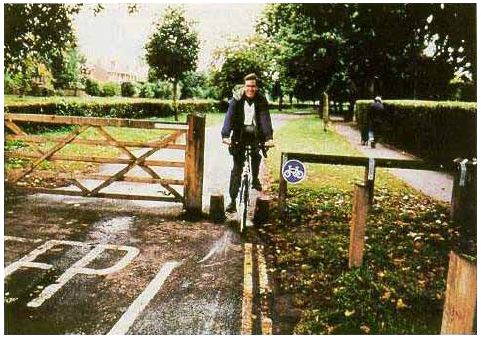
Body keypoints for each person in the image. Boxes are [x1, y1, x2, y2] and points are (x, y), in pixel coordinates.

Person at [221, 73, 274, 213]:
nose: (251, 89)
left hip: (256, 135)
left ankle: (255, 178)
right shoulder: (236, 99)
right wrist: (225, 135)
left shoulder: (261, 100)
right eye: (248, 86)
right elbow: (229, 117)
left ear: (256, 87)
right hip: (239, 135)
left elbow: (265, 118)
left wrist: (269, 137)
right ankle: (232, 201)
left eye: (253, 86)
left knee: (256, 156)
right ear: (244, 87)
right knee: (237, 169)